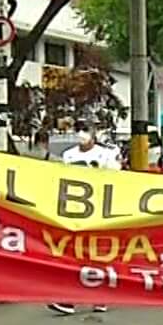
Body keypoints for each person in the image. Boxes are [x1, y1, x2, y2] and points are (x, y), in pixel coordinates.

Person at [50, 130, 119, 315]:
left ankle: (100, 297)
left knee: (97, 254)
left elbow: (117, 178)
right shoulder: (68, 155)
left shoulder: (106, 154)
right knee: (73, 255)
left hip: (100, 211)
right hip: (74, 211)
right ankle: (68, 299)